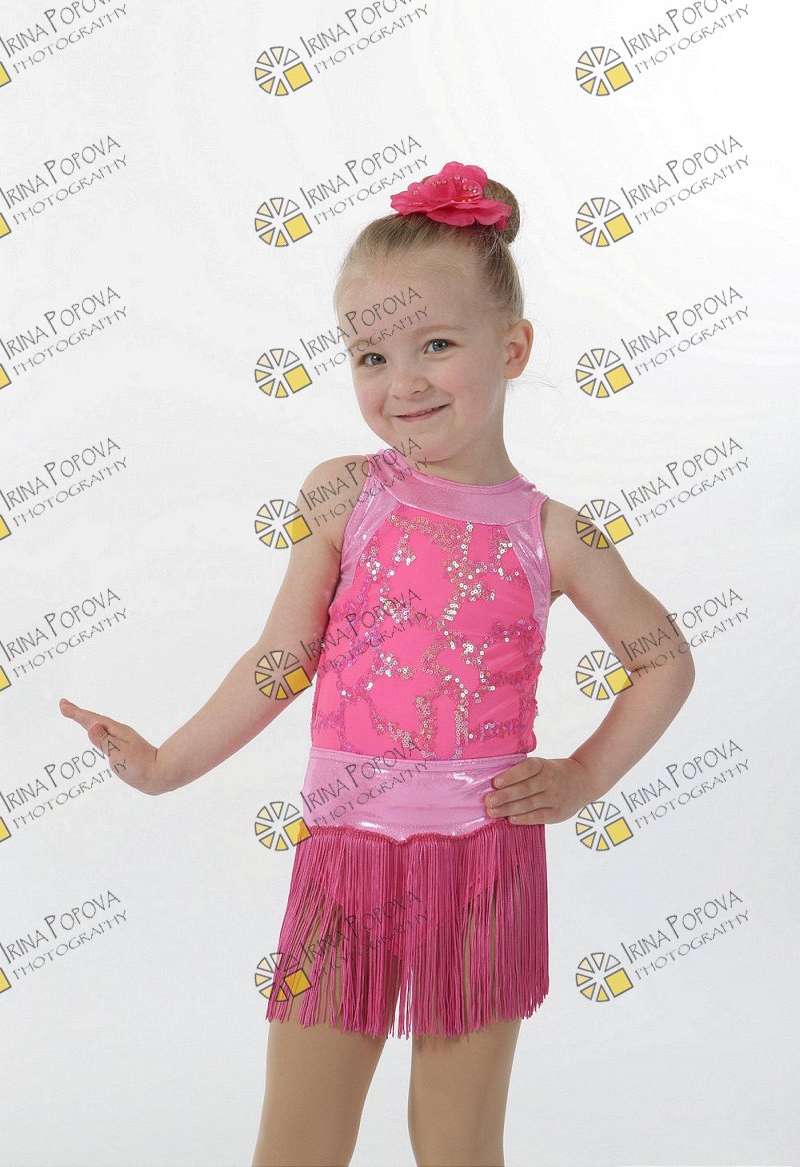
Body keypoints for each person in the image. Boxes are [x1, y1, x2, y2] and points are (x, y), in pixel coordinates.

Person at [59, 160, 696, 1167]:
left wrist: (581, 777)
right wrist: (166, 764)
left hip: (485, 866)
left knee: (456, 1141)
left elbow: (662, 661)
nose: (402, 383)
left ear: (512, 346)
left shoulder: (553, 534)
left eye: (435, 345)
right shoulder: (342, 495)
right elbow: (282, 658)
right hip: (343, 858)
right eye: (369, 355)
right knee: (299, 1139)